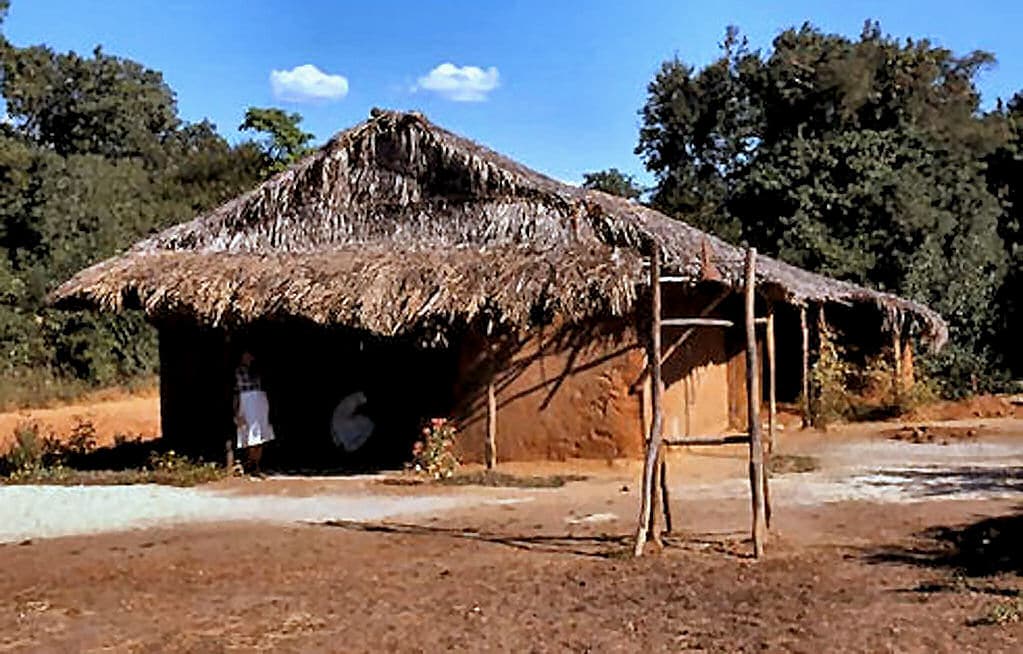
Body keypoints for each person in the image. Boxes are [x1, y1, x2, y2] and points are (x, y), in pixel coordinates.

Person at [233, 350, 275, 475]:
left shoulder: (257, 372)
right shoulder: (239, 371)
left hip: (259, 401)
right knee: (249, 433)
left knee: (260, 434)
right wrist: (236, 412)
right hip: (247, 400)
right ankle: (250, 464)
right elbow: (236, 393)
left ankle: (255, 464)